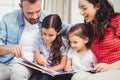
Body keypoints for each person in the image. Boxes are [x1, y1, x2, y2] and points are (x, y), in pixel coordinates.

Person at [0, 0, 69, 80]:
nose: (35, 16)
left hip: (28, 65)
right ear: (21, 7)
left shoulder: (49, 19)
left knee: (18, 72)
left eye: (38, 11)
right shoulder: (8, 19)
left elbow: (73, 30)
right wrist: (10, 49)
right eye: (29, 13)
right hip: (6, 62)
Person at [72, 0, 120, 80]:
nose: (81, 13)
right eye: (80, 8)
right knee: (77, 77)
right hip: (102, 71)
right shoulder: (92, 27)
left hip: (117, 68)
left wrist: (111, 66)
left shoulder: (117, 21)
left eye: (84, 8)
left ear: (97, 6)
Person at [30, 14, 69, 80]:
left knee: (44, 78)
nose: (46, 38)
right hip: (41, 70)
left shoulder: (64, 44)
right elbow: (36, 56)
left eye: (51, 35)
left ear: (59, 32)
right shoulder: (39, 39)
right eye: (44, 33)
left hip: (54, 71)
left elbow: (62, 65)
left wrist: (47, 70)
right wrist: (39, 58)